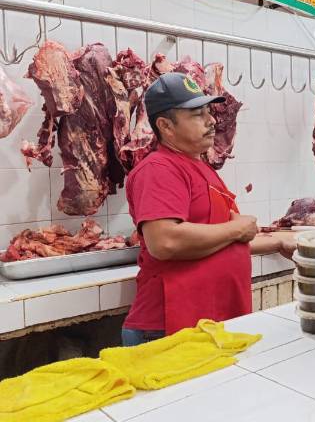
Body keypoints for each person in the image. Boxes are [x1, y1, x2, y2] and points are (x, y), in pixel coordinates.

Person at [122, 72, 295, 347]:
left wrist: (278, 243)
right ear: (166, 126)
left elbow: (218, 240)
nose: (212, 120)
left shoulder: (200, 167)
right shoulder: (159, 169)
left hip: (208, 323)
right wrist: (238, 227)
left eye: (208, 111)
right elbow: (164, 241)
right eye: (197, 114)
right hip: (170, 327)